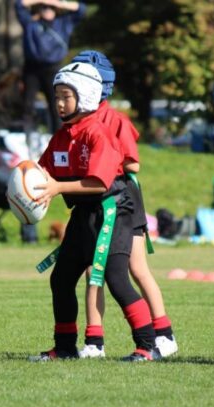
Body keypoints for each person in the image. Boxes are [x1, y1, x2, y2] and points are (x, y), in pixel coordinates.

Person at [32, 62, 159, 362]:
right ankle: (65, 347)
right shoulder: (62, 136)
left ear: (86, 96)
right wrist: (24, 183)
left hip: (111, 210)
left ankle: (148, 346)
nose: (59, 103)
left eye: (66, 96)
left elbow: (99, 182)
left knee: (116, 279)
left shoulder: (97, 133)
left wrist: (57, 188)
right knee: (61, 278)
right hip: (83, 214)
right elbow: (43, 171)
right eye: (57, 97)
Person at [69, 50, 178, 359]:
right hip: (95, 199)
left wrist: (103, 163)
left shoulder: (115, 120)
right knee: (93, 269)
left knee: (137, 268)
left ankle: (164, 334)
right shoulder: (78, 119)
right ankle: (94, 342)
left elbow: (133, 163)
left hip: (122, 199)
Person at [15, 0, 86, 134]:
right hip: (32, 68)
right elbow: (19, 5)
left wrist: (59, 3)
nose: (48, 10)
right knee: (27, 105)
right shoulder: (31, 24)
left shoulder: (63, 23)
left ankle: (58, 135)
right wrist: (41, 0)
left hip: (53, 68)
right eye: (44, 8)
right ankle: (27, 135)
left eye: (51, 8)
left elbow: (81, 9)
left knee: (56, 104)